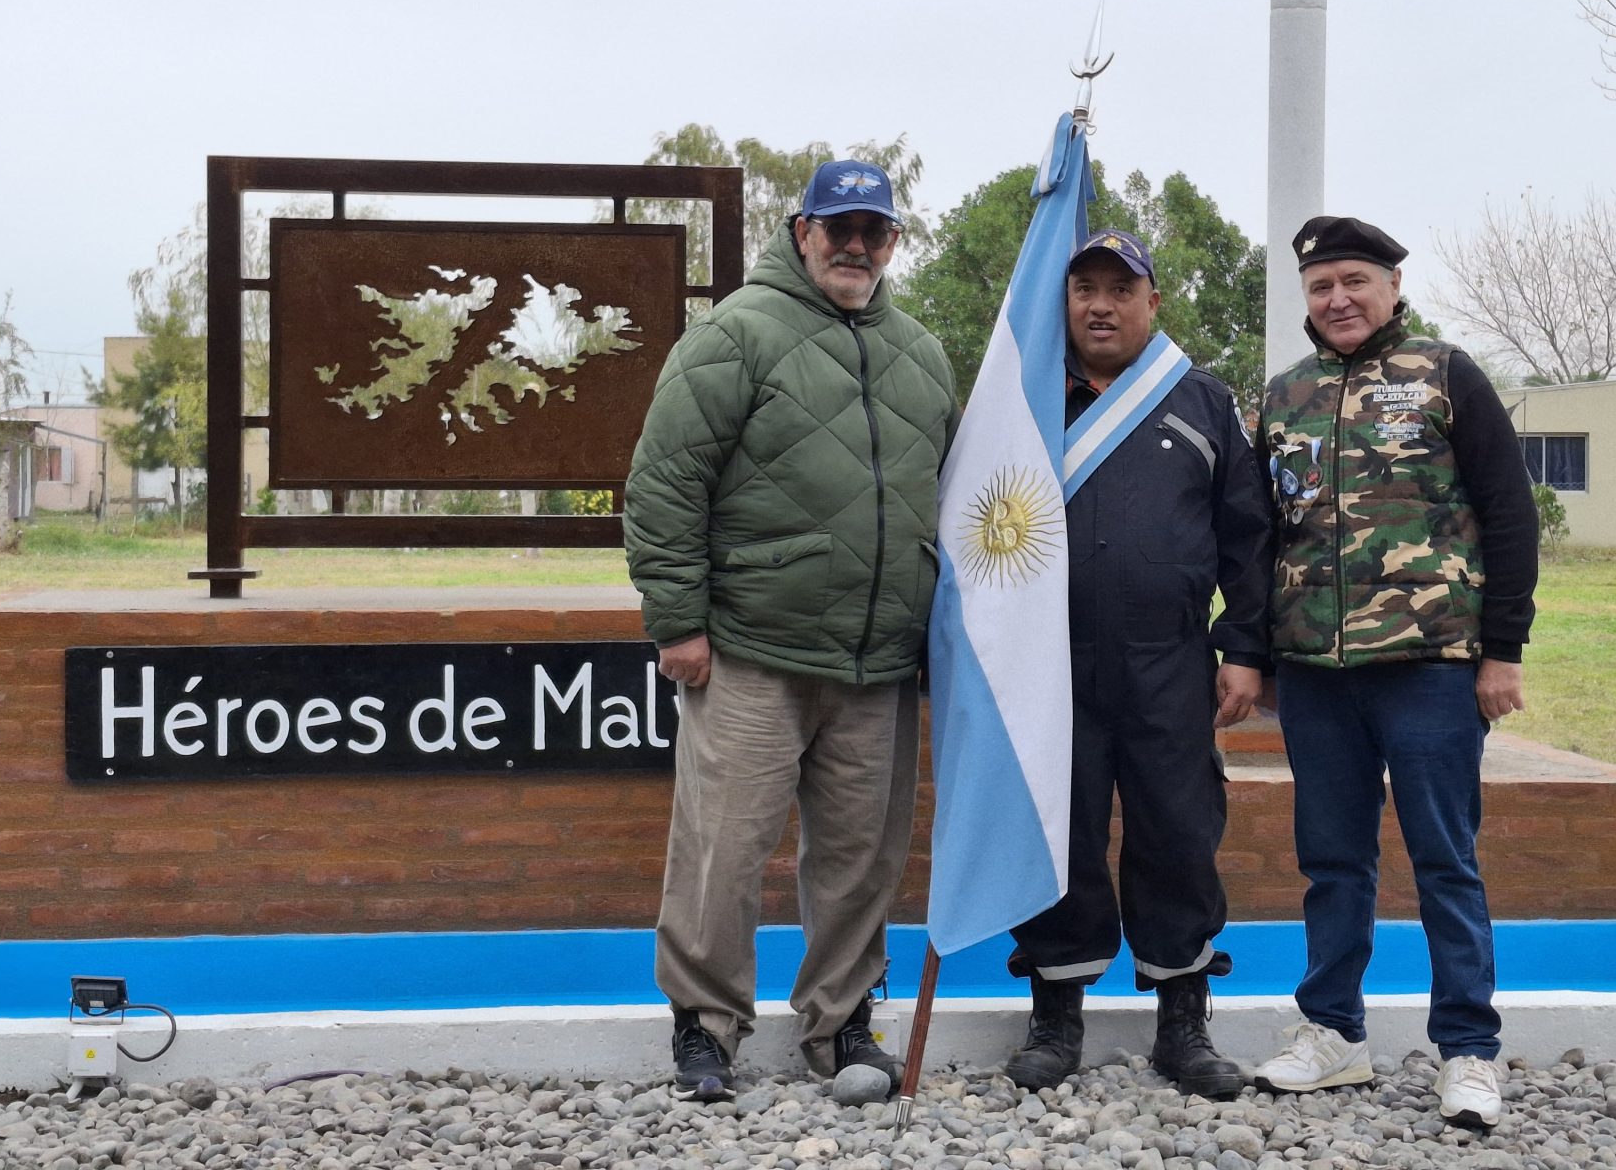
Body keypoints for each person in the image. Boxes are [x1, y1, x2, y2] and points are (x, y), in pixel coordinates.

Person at [624, 158, 958, 1101]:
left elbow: (958, 499)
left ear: (893, 242)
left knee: (861, 859)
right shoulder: (736, 331)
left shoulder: (922, 354)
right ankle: (705, 1028)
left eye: (875, 231)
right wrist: (678, 622)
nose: (856, 245)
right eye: (839, 227)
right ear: (801, 229)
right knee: (722, 850)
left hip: (879, 661)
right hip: (750, 651)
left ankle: (842, 1026)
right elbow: (665, 483)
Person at [1252, 215, 1539, 1130]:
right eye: (1321, 286)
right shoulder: (1282, 397)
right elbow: (1262, 537)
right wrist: (1252, 656)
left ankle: (1468, 1051)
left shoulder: (1446, 375)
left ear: (1391, 285)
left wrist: (1503, 650)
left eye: (1354, 282)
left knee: (1444, 860)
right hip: (1315, 673)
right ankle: (1332, 1033)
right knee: (1333, 863)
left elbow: (1509, 515)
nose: (1338, 299)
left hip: (1432, 668)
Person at [1002, 229, 1275, 1098]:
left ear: (1153, 302)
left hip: (1170, 661)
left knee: (1178, 833)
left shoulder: (1200, 401)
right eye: (1084, 288)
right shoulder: (1023, 401)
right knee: (1060, 834)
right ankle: (1055, 1017)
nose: (1101, 305)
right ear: (1065, 302)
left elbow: (1250, 536)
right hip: (1052, 667)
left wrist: (1242, 648)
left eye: (1121, 290)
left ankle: (1182, 1023)